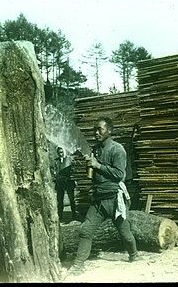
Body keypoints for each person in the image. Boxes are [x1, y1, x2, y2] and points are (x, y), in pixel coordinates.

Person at [68, 117, 139, 276]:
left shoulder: (117, 150)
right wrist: (90, 168)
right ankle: (78, 265)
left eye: (100, 129)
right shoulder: (96, 150)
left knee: (125, 233)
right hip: (99, 201)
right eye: (94, 129)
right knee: (86, 229)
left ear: (110, 131)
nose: (96, 132)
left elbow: (120, 175)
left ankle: (134, 254)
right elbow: (93, 175)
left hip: (115, 199)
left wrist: (98, 165)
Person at [53, 146, 77, 222]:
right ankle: (60, 215)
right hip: (60, 183)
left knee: (72, 199)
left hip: (68, 182)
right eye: (59, 152)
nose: (61, 154)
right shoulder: (55, 161)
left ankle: (74, 214)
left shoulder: (69, 159)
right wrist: (55, 177)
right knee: (60, 200)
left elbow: (74, 169)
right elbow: (53, 170)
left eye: (62, 152)